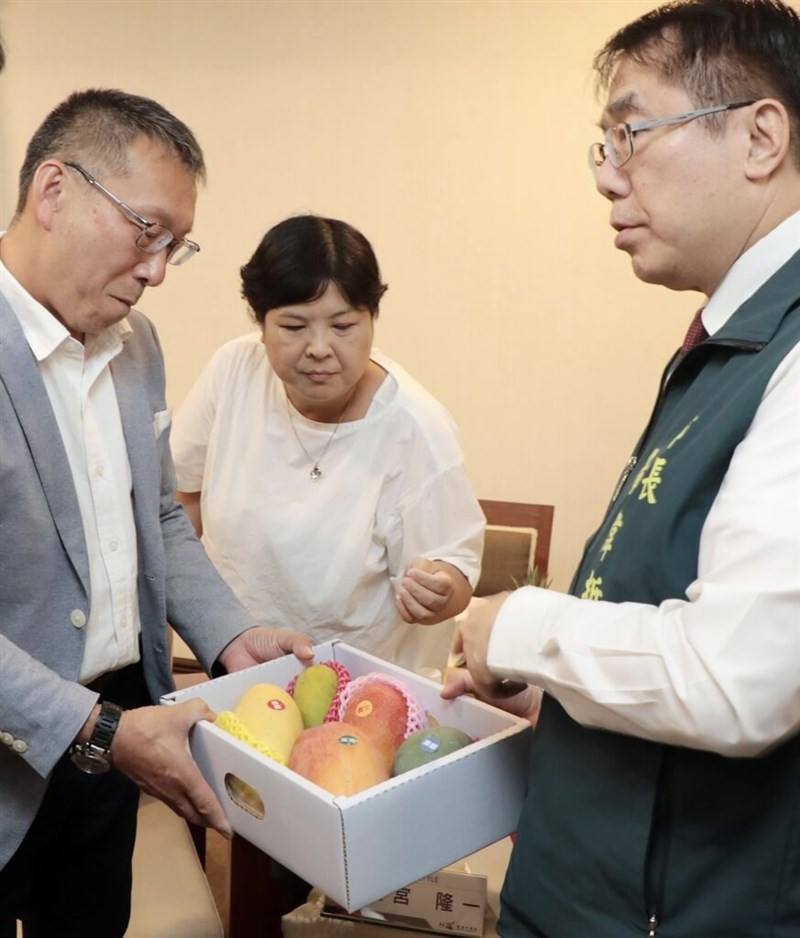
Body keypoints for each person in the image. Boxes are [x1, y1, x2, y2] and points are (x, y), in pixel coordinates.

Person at [443, 0, 800, 935]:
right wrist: (557, 686)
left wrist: (519, 627)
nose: (608, 178)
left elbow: (738, 680)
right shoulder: (735, 341)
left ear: (761, 136)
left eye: (630, 132)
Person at [0, 89, 312, 938]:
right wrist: (89, 725)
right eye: (147, 233)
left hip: (116, 739)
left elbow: (159, 521)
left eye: (177, 245)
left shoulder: (135, 347)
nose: (159, 271)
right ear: (54, 192)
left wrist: (230, 639)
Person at [172, 214, 485, 675]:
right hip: (239, 666)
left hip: (364, 688)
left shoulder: (416, 427)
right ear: (260, 324)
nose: (319, 348)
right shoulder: (234, 372)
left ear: (372, 320)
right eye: (294, 327)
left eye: (342, 327)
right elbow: (182, 500)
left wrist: (437, 592)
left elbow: (454, 570)